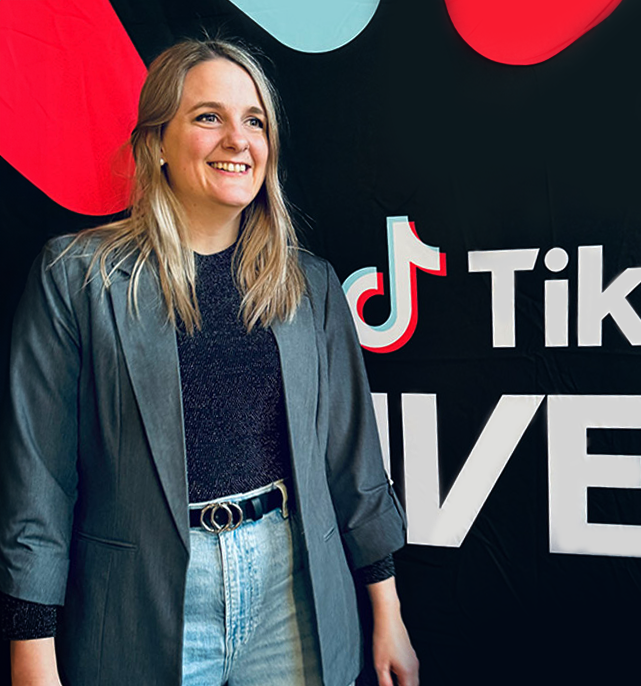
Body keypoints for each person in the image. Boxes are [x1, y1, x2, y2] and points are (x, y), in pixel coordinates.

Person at [0, 39, 419, 686]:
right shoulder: (76, 279)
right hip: (139, 604)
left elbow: (352, 461)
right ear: (157, 143)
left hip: (291, 594)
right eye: (207, 117)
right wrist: (31, 649)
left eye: (254, 120)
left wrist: (387, 611)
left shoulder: (309, 286)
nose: (237, 139)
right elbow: (38, 483)